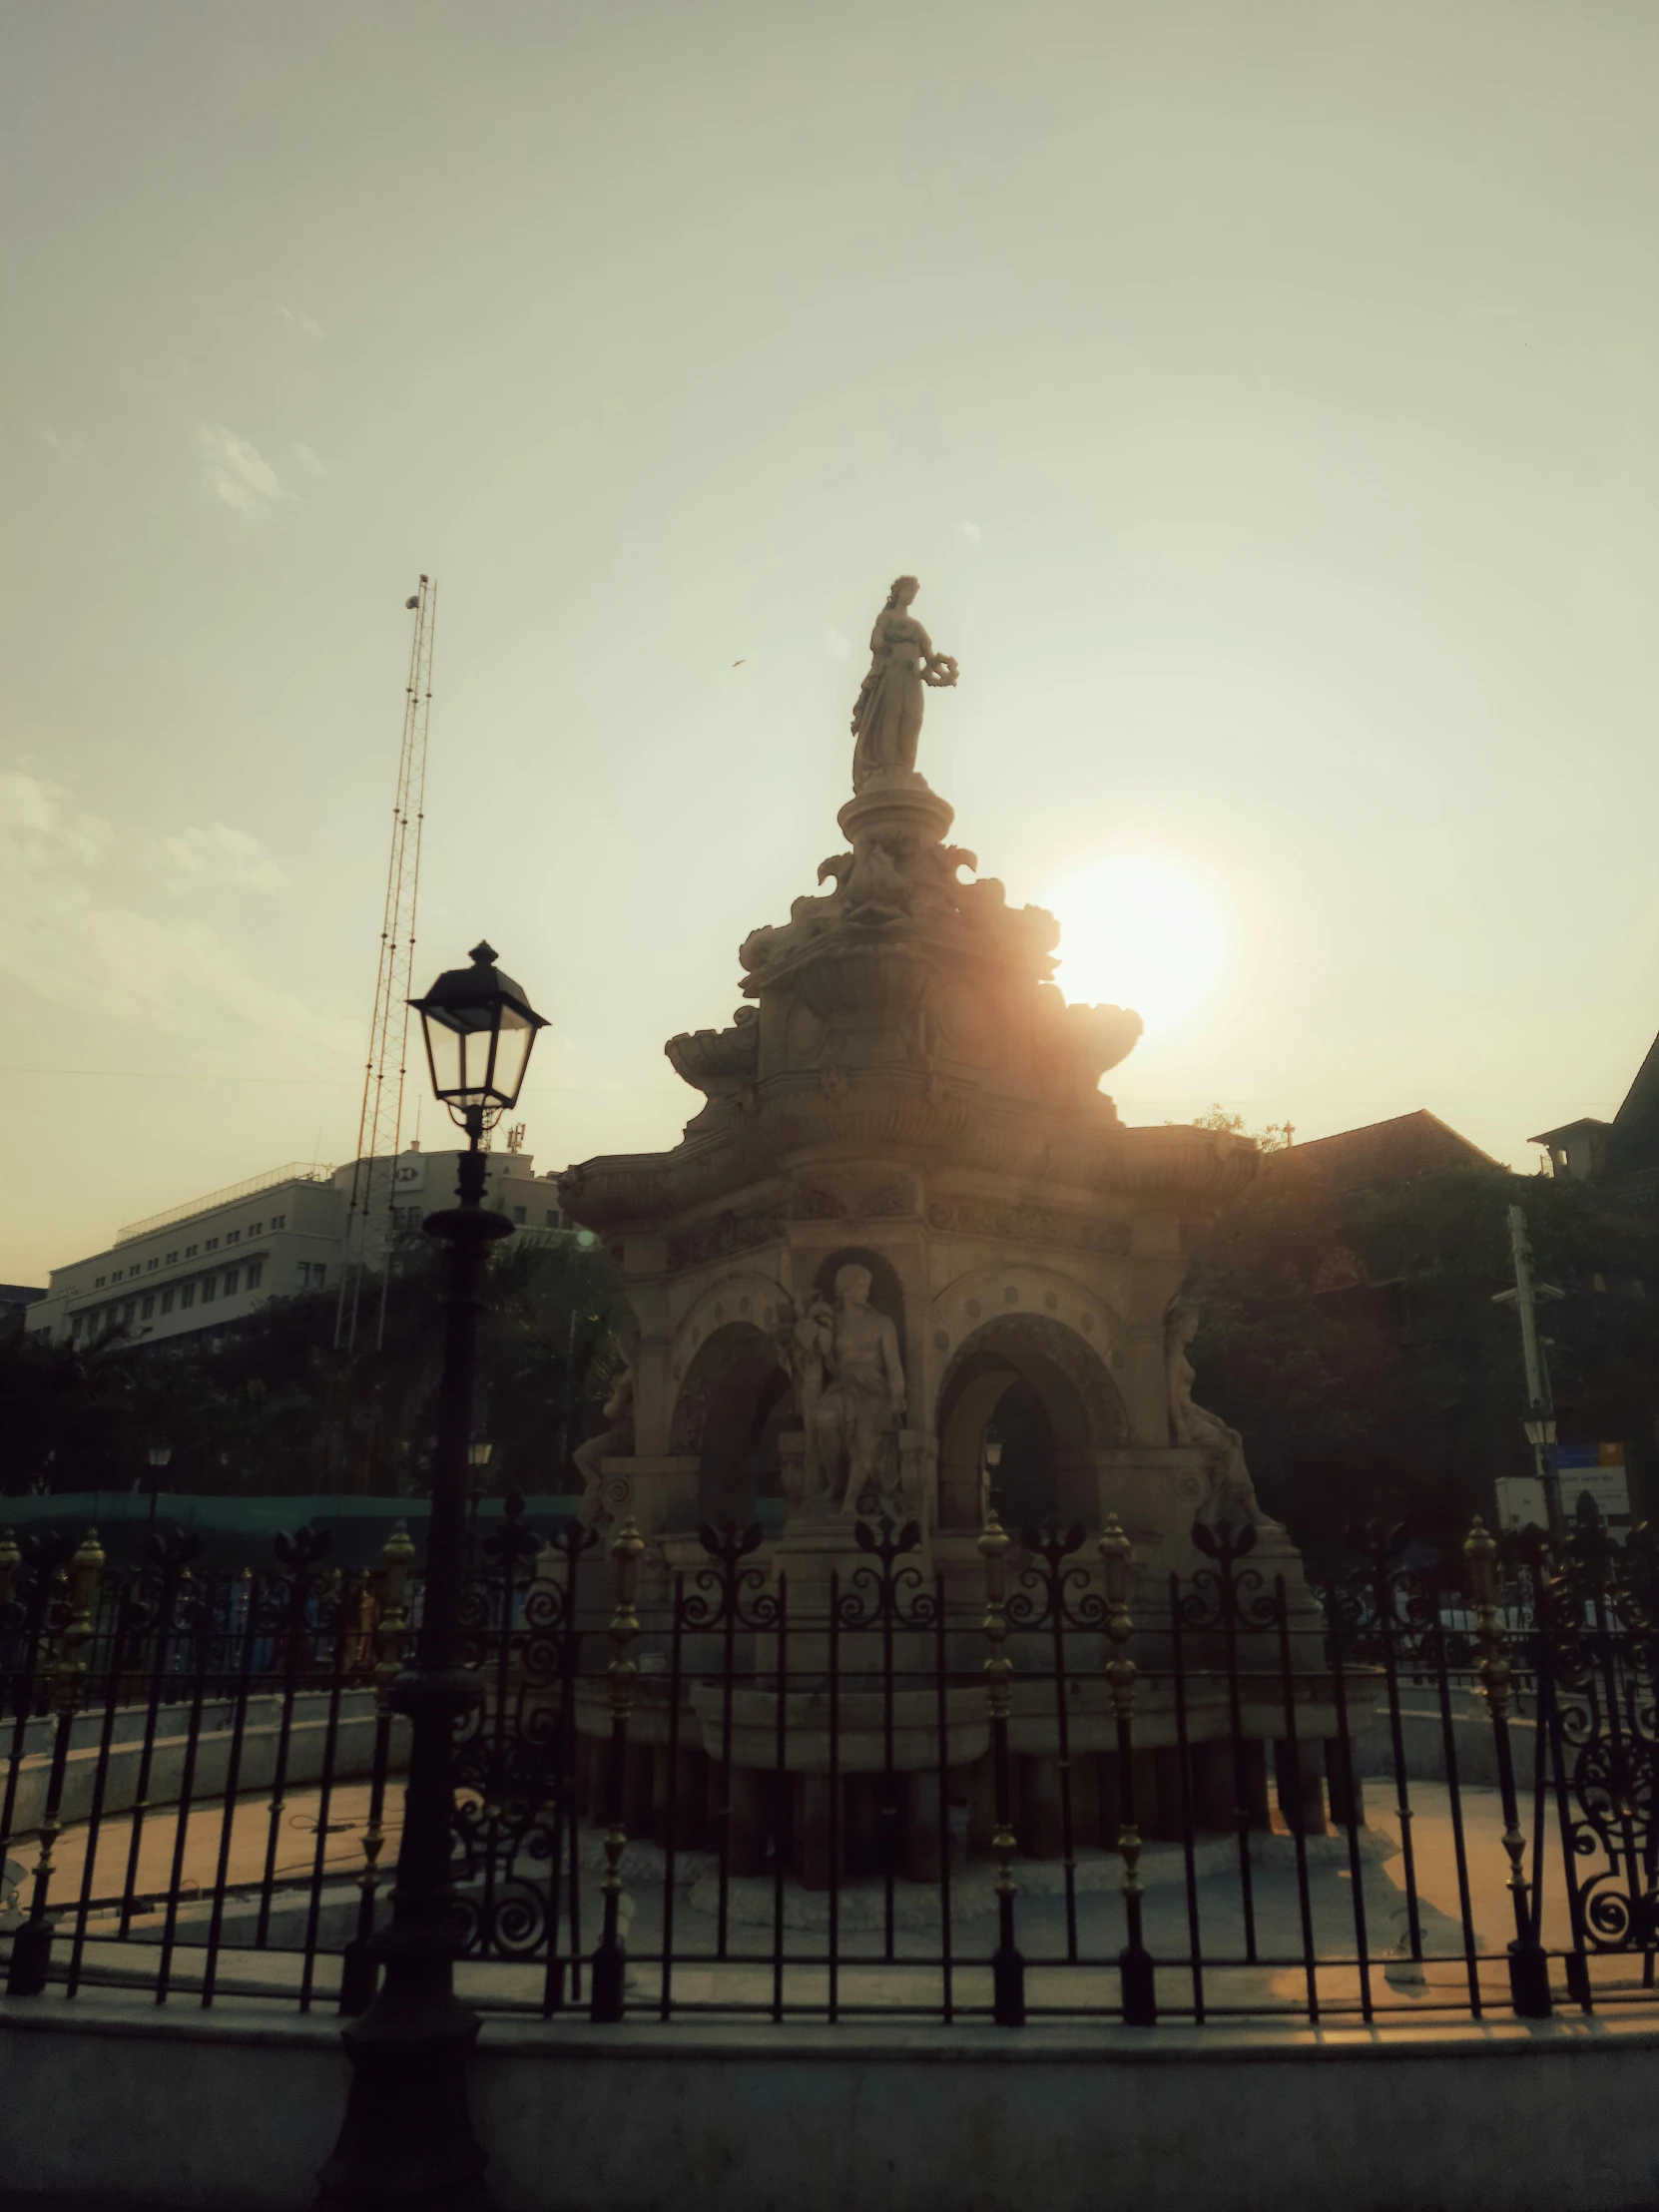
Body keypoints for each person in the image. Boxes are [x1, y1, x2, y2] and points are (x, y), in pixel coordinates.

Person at [798, 1264, 906, 1514]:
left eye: (867, 1287)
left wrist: (898, 1396)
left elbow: (894, 1366)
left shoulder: (882, 1322)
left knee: (866, 1432)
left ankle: (850, 1499)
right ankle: (835, 1481)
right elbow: (814, 1353)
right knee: (825, 1418)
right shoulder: (830, 1322)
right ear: (845, 1290)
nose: (866, 1292)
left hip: (874, 1389)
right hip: (842, 1385)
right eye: (861, 1287)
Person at [849, 576, 956, 791]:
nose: (911, 596)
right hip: (891, 674)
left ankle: (905, 767)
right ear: (898, 592)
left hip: (912, 678)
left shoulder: (916, 626)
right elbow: (876, 641)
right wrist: (882, 646)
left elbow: (929, 656)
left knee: (912, 718)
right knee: (892, 715)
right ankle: (890, 766)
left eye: (914, 593)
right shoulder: (886, 617)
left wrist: (947, 671)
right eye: (908, 591)